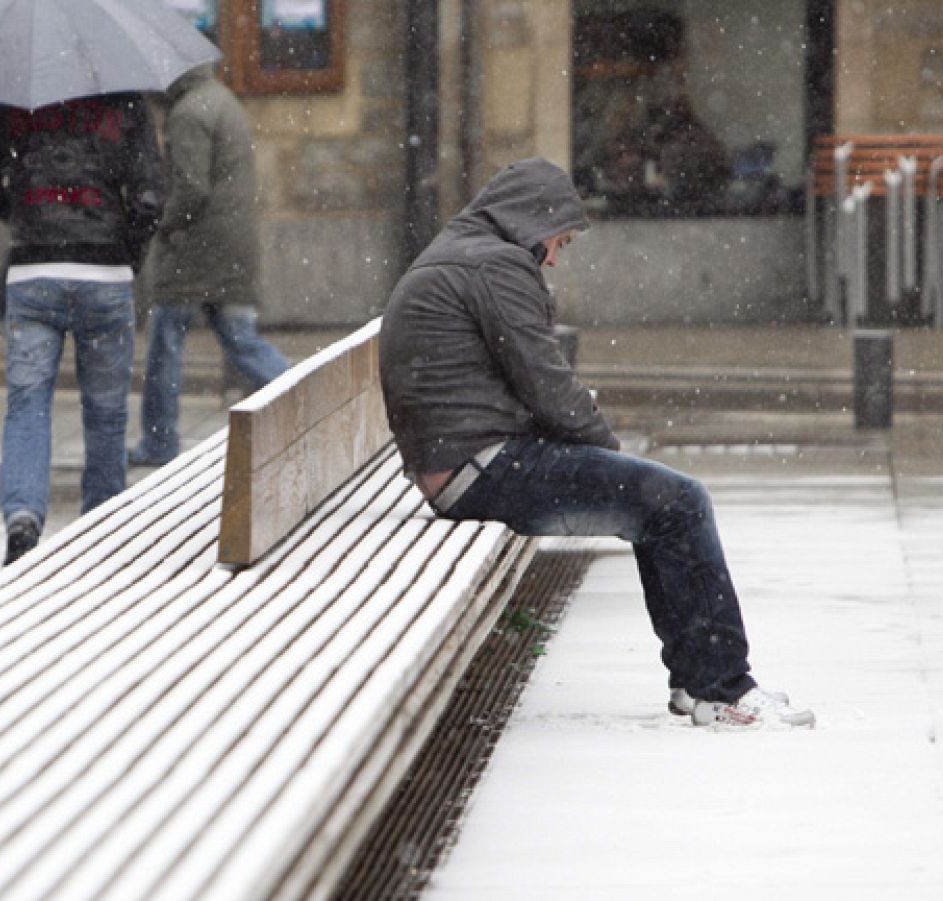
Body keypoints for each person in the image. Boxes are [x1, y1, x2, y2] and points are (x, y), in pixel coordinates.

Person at [377, 158, 814, 731]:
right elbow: (548, 386)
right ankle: (723, 689)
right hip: (480, 469)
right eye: (557, 243)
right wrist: (612, 458)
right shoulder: (496, 266)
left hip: (461, 461)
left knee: (657, 504)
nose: (555, 258)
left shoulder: (466, 252)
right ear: (530, 224)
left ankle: (698, 680)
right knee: (676, 501)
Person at [0, 93, 164, 564]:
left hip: (35, 273)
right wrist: (126, 249)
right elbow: (151, 199)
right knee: (106, 413)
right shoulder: (127, 103)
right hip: (105, 274)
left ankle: (23, 519)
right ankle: (103, 528)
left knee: (28, 406)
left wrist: (25, 216)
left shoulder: (16, 103)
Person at [128, 65, 290, 467]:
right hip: (229, 245)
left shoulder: (188, 114)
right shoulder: (219, 98)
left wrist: (161, 226)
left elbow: (191, 188)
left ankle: (159, 441)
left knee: (165, 345)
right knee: (241, 339)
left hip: (196, 250)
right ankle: (301, 399)